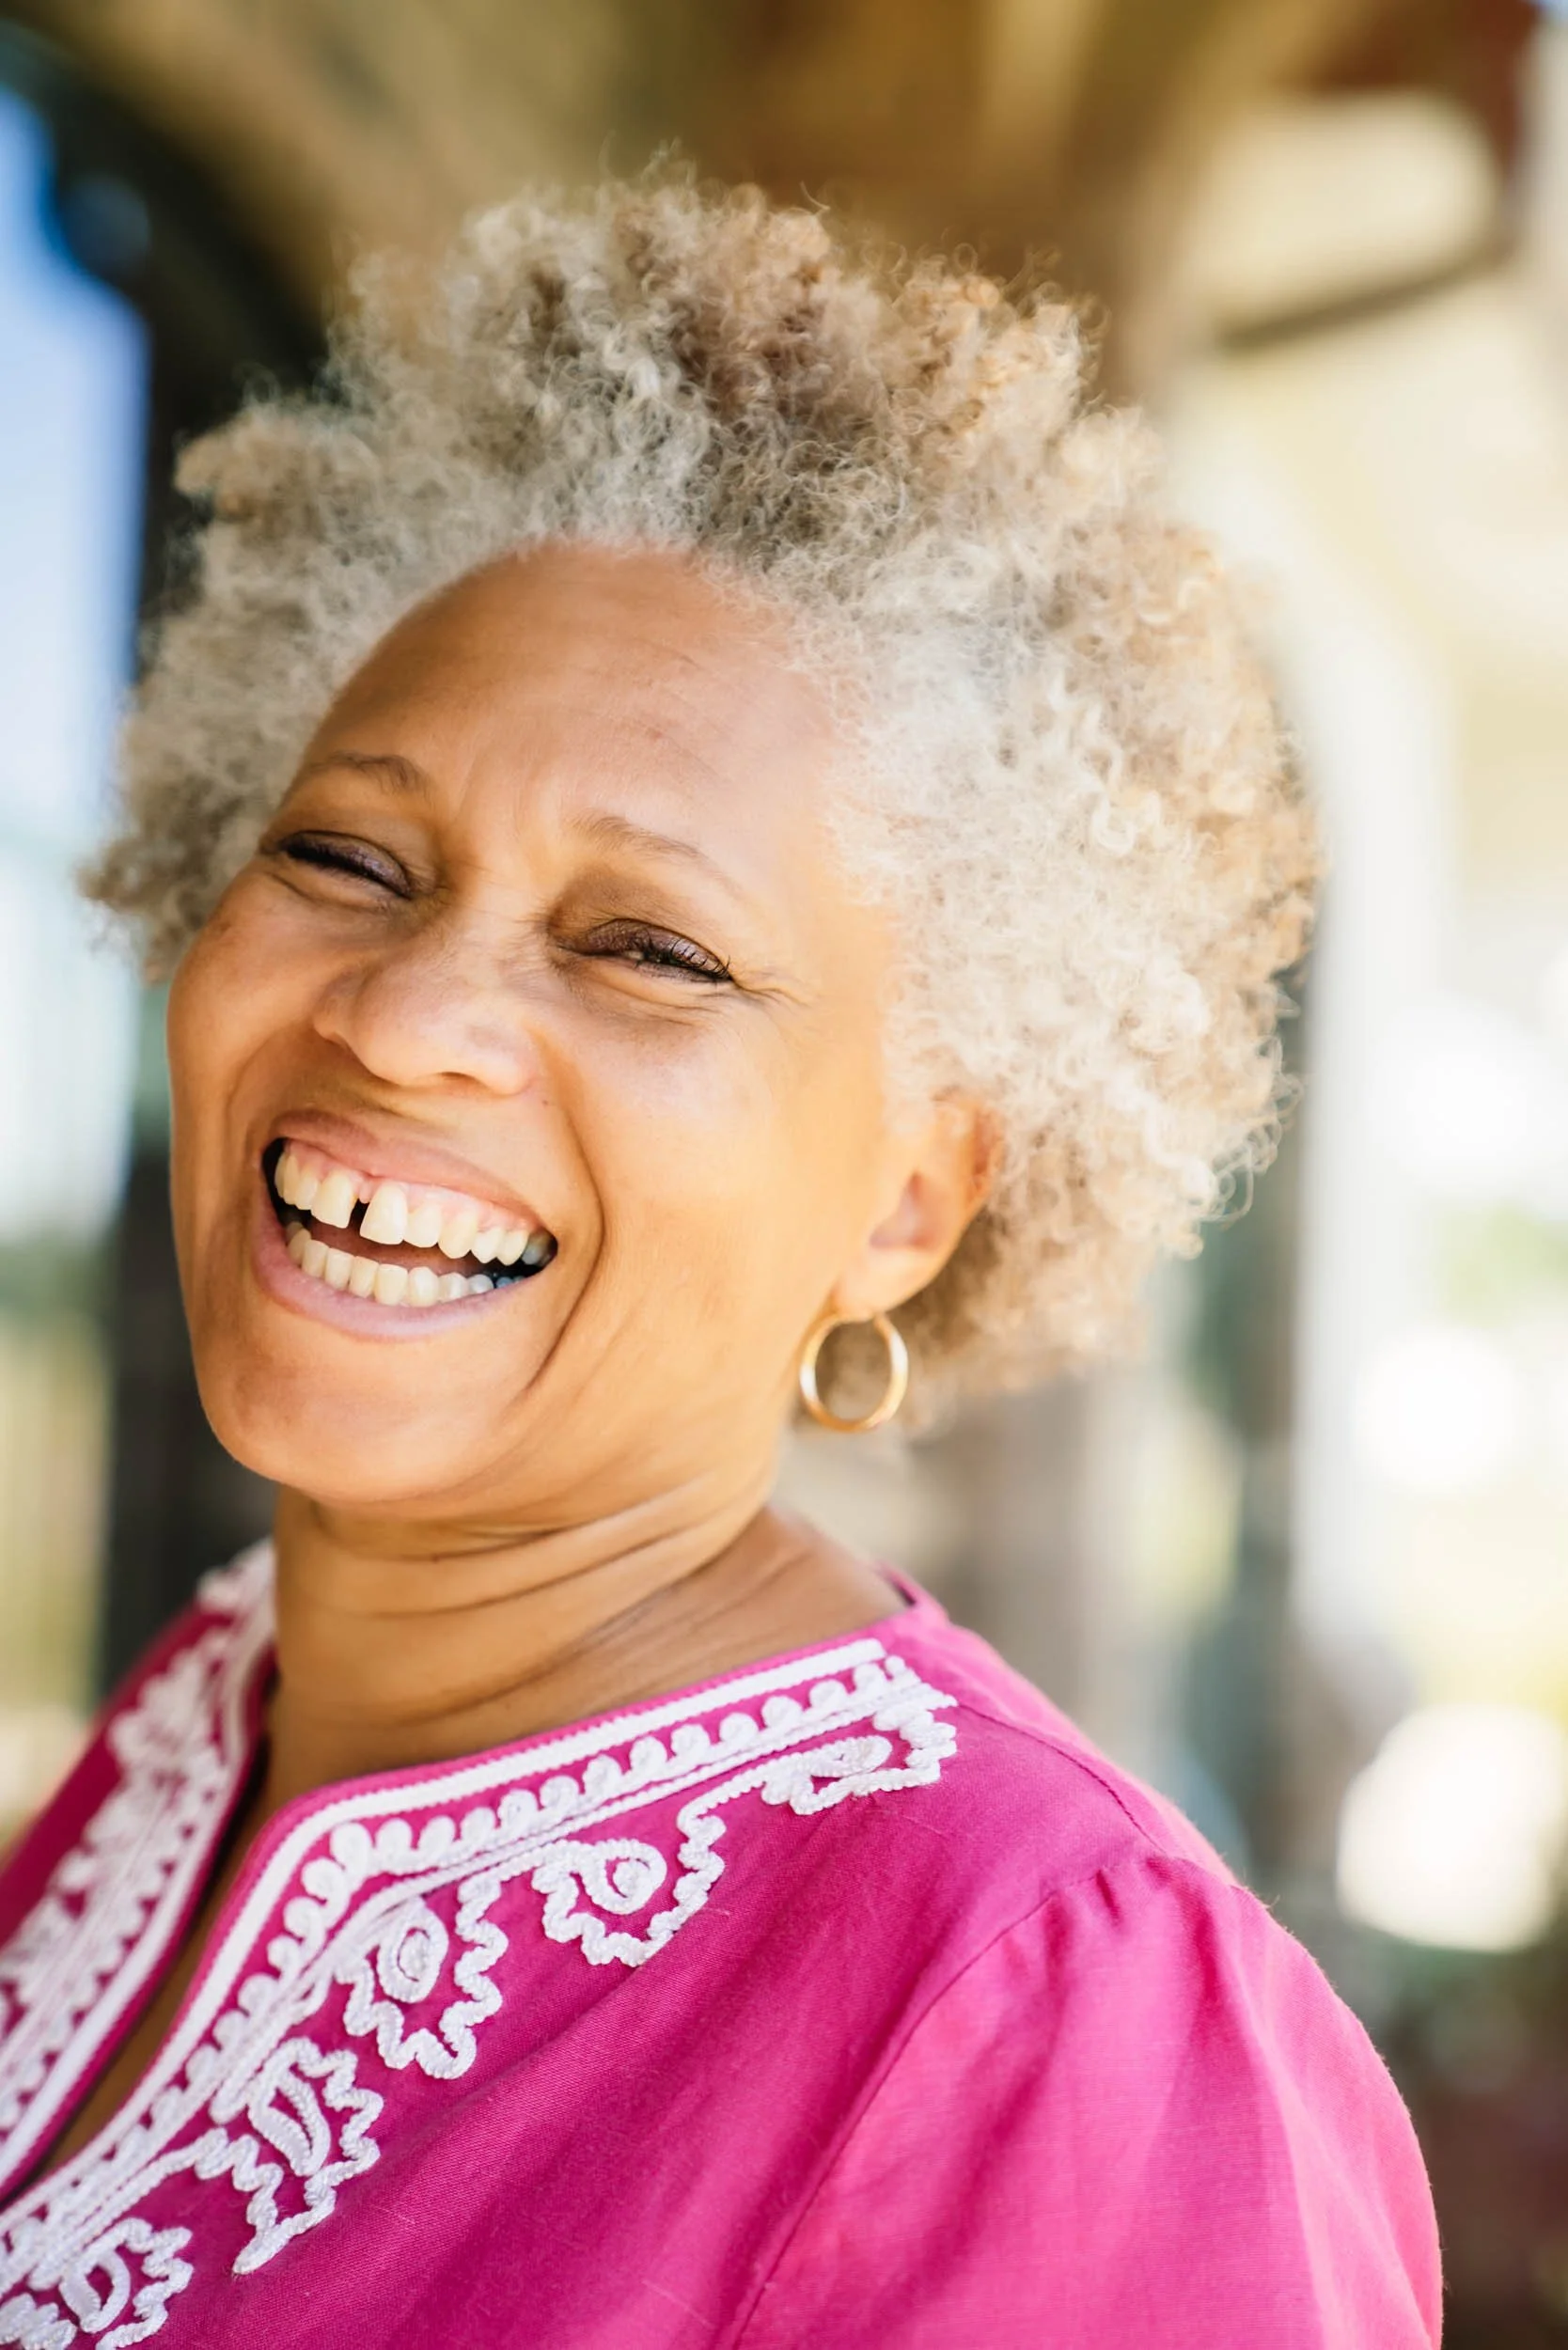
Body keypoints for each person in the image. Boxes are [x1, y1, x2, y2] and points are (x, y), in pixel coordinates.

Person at [0, 176, 1438, 2347]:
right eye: (347, 854)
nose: (406, 1016)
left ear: (906, 1200)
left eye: (648, 947)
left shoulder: (1058, 2005)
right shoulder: (203, 1721)